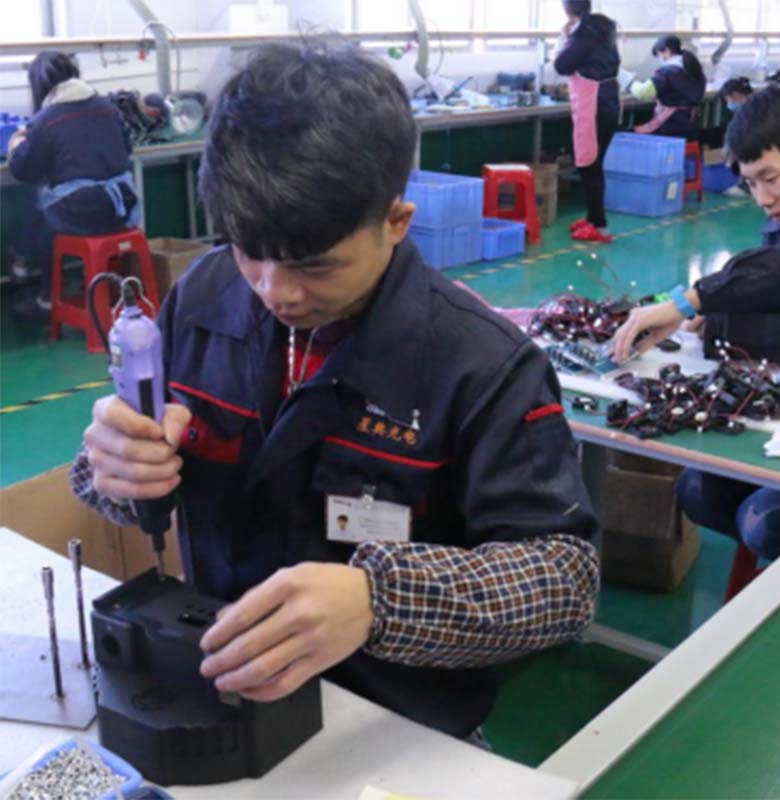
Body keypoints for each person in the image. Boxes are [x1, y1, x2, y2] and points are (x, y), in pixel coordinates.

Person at [71, 41, 600, 740]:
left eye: (315, 266)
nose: (276, 291)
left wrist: (380, 600)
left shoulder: (483, 366)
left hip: (394, 724)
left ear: (395, 222)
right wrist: (113, 467)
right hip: (220, 686)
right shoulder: (202, 297)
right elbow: (128, 474)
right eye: (249, 251)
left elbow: (564, 581)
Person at [611, 84, 780, 565]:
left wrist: (689, 302)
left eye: (771, 178)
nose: (762, 198)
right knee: (699, 491)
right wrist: (718, 319)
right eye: (750, 184)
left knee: (769, 519)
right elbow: (774, 290)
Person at [7, 51, 139, 319]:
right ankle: (54, 276)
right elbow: (127, 148)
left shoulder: (47, 118)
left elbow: (22, 169)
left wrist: (15, 142)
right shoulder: (108, 107)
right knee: (51, 206)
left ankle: (43, 290)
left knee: (35, 209)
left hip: (83, 212)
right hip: (121, 207)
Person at [554, 0, 621, 244]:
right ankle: (593, 218)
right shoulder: (604, 28)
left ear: (567, 10)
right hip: (608, 100)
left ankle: (600, 226)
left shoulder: (584, 33)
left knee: (588, 165)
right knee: (594, 163)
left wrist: (565, 37)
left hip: (593, 104)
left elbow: (562, 65)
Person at [630, 35, 707, 141]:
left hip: (671, 127)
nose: (659, 59)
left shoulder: (667, 72)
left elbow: (643, 93)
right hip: (690, 125)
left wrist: (629, 82)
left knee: (632, 133)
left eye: (658, 54)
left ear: (667, 51)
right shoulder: (694, 69)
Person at [719, 77, 755, 197]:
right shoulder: (755, 104)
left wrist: (729, 154)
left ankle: (747, 185)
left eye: (728, 99)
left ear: (735, 95)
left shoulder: (748, 112)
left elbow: (736, 136)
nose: (728, 103)